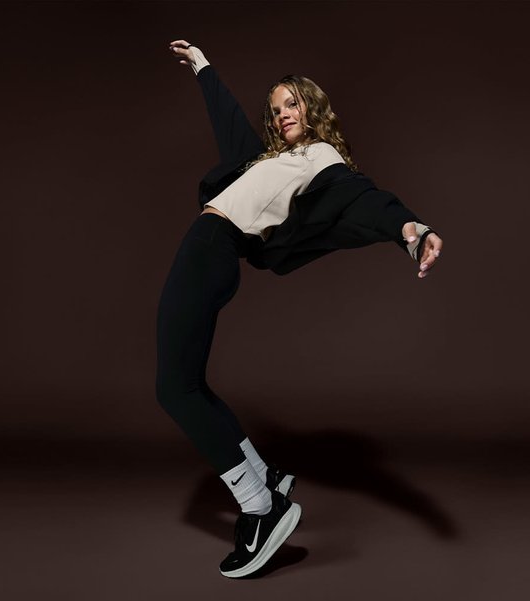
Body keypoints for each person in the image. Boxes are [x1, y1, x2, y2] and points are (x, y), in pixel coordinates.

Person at [158, 40, 443, 578]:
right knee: (189, 382)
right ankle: (263, 479)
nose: (282, 115)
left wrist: (411, 229)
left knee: (174, 388)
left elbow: (364, 198)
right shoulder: (274, 161)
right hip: (210, 249)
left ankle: (262, 509)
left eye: (291, 104)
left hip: (212, 248)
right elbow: (234, 134)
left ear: (313, 108)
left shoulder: (322, 159)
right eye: (276, 109)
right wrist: (203, 68)